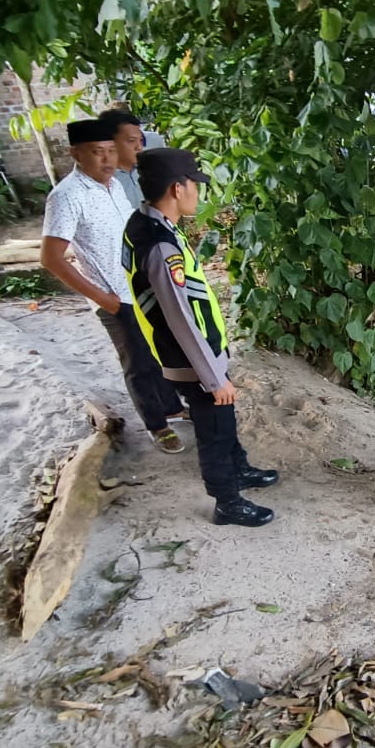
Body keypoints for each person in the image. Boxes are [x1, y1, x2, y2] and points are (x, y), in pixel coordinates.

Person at [123, 147, 278, 527]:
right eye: (195, 184)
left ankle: (238, 469)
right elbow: (179, 318)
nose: (198, 192)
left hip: (194, 354)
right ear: (178, 188)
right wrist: (214, 378)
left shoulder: (145, 223)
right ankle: (227, 501)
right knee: (213, 428)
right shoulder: (160, 245)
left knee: (222, 421)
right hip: (191, 360)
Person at [40, 119, 187, 453]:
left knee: (160, 351)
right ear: (75, 153)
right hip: (114, 297)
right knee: (139, 364)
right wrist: (103, 299)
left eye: (110, 151)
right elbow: (51, 258)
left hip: (141, 287)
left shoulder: (115, 185)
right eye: (97, 153)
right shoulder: (66, 196)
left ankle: (174, 408)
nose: (107, 160)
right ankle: (157, 425)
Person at [98, 108, 145, 209]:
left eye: (141, 141)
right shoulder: (101, 182)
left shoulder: (147, 171)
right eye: (131, 140)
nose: (139, 147)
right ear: (110, 142)